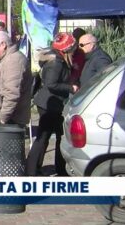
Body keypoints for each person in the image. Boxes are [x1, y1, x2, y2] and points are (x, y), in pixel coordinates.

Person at [26, 33, 77, 177]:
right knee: (50, 137)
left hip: (49, 103)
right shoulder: (57, 62)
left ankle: (34, 169)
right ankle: (41, 170)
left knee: (45, 137)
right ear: (67, 49)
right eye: (73, 48)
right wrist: (70, 88)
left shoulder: (56, 58)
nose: (74, 51)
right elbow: (51, 84)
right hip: (50, 104)